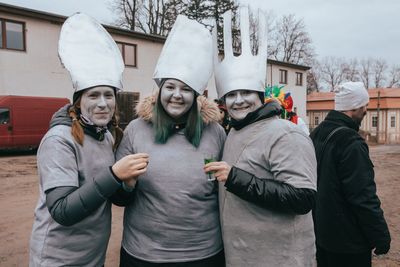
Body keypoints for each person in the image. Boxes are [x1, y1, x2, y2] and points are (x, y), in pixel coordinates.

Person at [29, 13, 148, 267]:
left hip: (92, 256)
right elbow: (62, 210)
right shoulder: (59, 140)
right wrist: (115, 175)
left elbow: (114, 198)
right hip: (57, 258)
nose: (103, 103)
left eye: (109, 95)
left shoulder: (105, 136)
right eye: (93, 95)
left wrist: (127, 184)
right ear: (79, 101)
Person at [204, 9, 317, 266]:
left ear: (260, 95)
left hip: (281, 258)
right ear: (223, 102)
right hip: (243, 257)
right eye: (231, 94)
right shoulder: (234, 132)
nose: (239, 100)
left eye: (246, 92)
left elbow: (302, 197)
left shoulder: (285, 133)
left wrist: (236, 178)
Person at [115, 15, 226, 267]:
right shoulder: (136, 130)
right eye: (170, 87)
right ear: (160, 90)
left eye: (186, 89)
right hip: (144, 255)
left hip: (204, 254)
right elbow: (119, 197)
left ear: (196, 95)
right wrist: (127, 185)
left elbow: (224, 190)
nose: (177, 95)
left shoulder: (215, 133)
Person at [309, 81, 391, 267]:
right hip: (348, 243)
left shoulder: (316, 133)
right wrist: (380, 235)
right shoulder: (351, 142)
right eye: (364, 106)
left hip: (322, 236)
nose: (365, 111)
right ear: (354, 107)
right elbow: (363, 196)